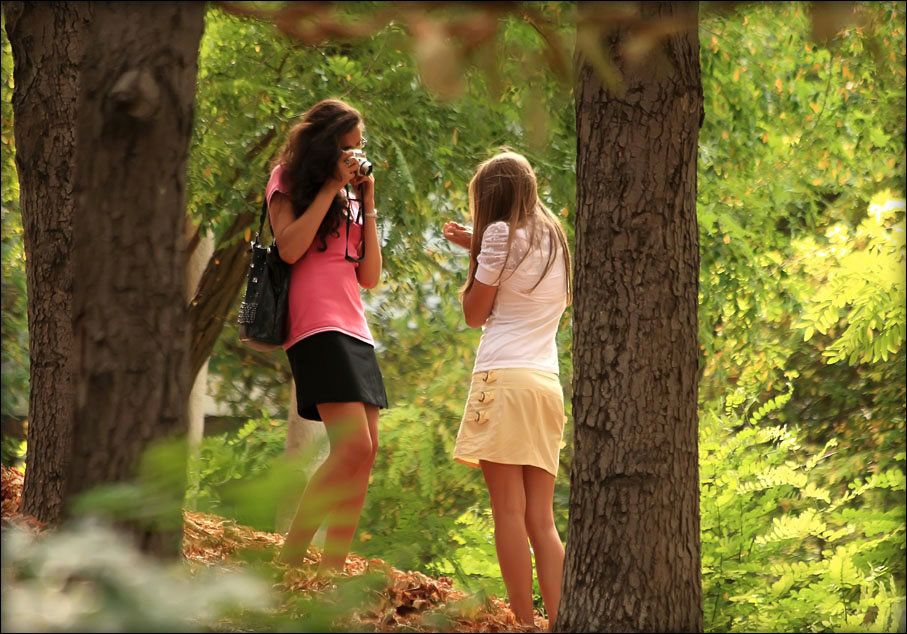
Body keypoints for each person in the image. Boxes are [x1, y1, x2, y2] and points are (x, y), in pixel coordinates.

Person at [442, 151, 572, 628]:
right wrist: (475, 244)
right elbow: (518, 263)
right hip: (545, 386)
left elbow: (476, 312)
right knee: (542, 519)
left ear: (490, 197)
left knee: (508, 515)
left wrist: (475, 254)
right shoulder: (554, 238)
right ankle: (558, 622)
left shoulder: (497, 234)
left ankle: (522, 623)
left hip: (502, 381)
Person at [266, 98, 387, 574]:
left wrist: (368, 202)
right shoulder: (287, 178)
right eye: (348, 148)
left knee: (366, 452)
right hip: (315, 322)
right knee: (352, 447)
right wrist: (331, 187)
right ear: (326, 143)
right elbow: (290, 247)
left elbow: (370, 276)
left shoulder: (352, 196)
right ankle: (291, 559)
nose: (355, 157)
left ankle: (332, 569)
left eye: (359, 149)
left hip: (355, 325)